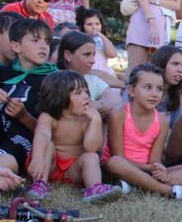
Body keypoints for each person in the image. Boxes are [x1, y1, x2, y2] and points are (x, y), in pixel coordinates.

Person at [103, 64, 182, 199]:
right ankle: (170, 192)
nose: (154, 94)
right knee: (114, 162)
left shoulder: (162, 120)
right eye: (147, 88)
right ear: (132, 91)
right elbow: (118, 156)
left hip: (148, 172)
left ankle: (134, 186)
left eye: (159, 89)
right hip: (121, 169)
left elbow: (155, 158)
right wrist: (148, 169)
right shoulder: (119, 114)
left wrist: (158, 167)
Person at [0, 19, 57, 175]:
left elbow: (53, 134)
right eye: (35, 40)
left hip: (23, 136)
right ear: (16, 46)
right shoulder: (7, 71)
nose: (43, 46)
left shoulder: (54, 80)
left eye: (47, 41)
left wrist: (23, 116)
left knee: (7, 163)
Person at [25, 70, 121, 202]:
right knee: (49, 145)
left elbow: (91, 148)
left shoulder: (87, 119)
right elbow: (42, 135)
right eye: (78, 93)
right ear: (60, 97)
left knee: (91, 157)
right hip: (48, 165)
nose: (86, 96)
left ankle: (93, 188)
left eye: (86, 91)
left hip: (73, 170)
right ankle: (40, 183)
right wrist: (37, 158)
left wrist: (96, 120)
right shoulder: (49, 117)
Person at [125, 0, 181, 78]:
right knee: (133, 73)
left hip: (162, 29)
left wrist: (154, 0)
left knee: (154, 74)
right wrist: (152, 23)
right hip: (142, 24)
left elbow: (176, 5)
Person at [56, 30, 123, 122]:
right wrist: (97, 106)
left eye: (93, 55)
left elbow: (115, 100)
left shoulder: (91, 78)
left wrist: (97, 105)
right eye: (87, 55)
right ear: (68, 55)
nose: (93, 60)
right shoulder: (56, 80)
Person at [75, 6, 118, 80]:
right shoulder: (79, 40)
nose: (94, 27)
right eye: (89, 24)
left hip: (104, 72)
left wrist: (102, 36)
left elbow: (112, 54)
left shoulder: (102, 40)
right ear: (82, 26)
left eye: (97, 24)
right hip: (88, 72)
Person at [150, 45, 182, 125]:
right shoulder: (140, 89)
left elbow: (177, 129)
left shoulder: (175, 99)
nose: (180, 70)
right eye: (175, 64)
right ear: (161, 64)